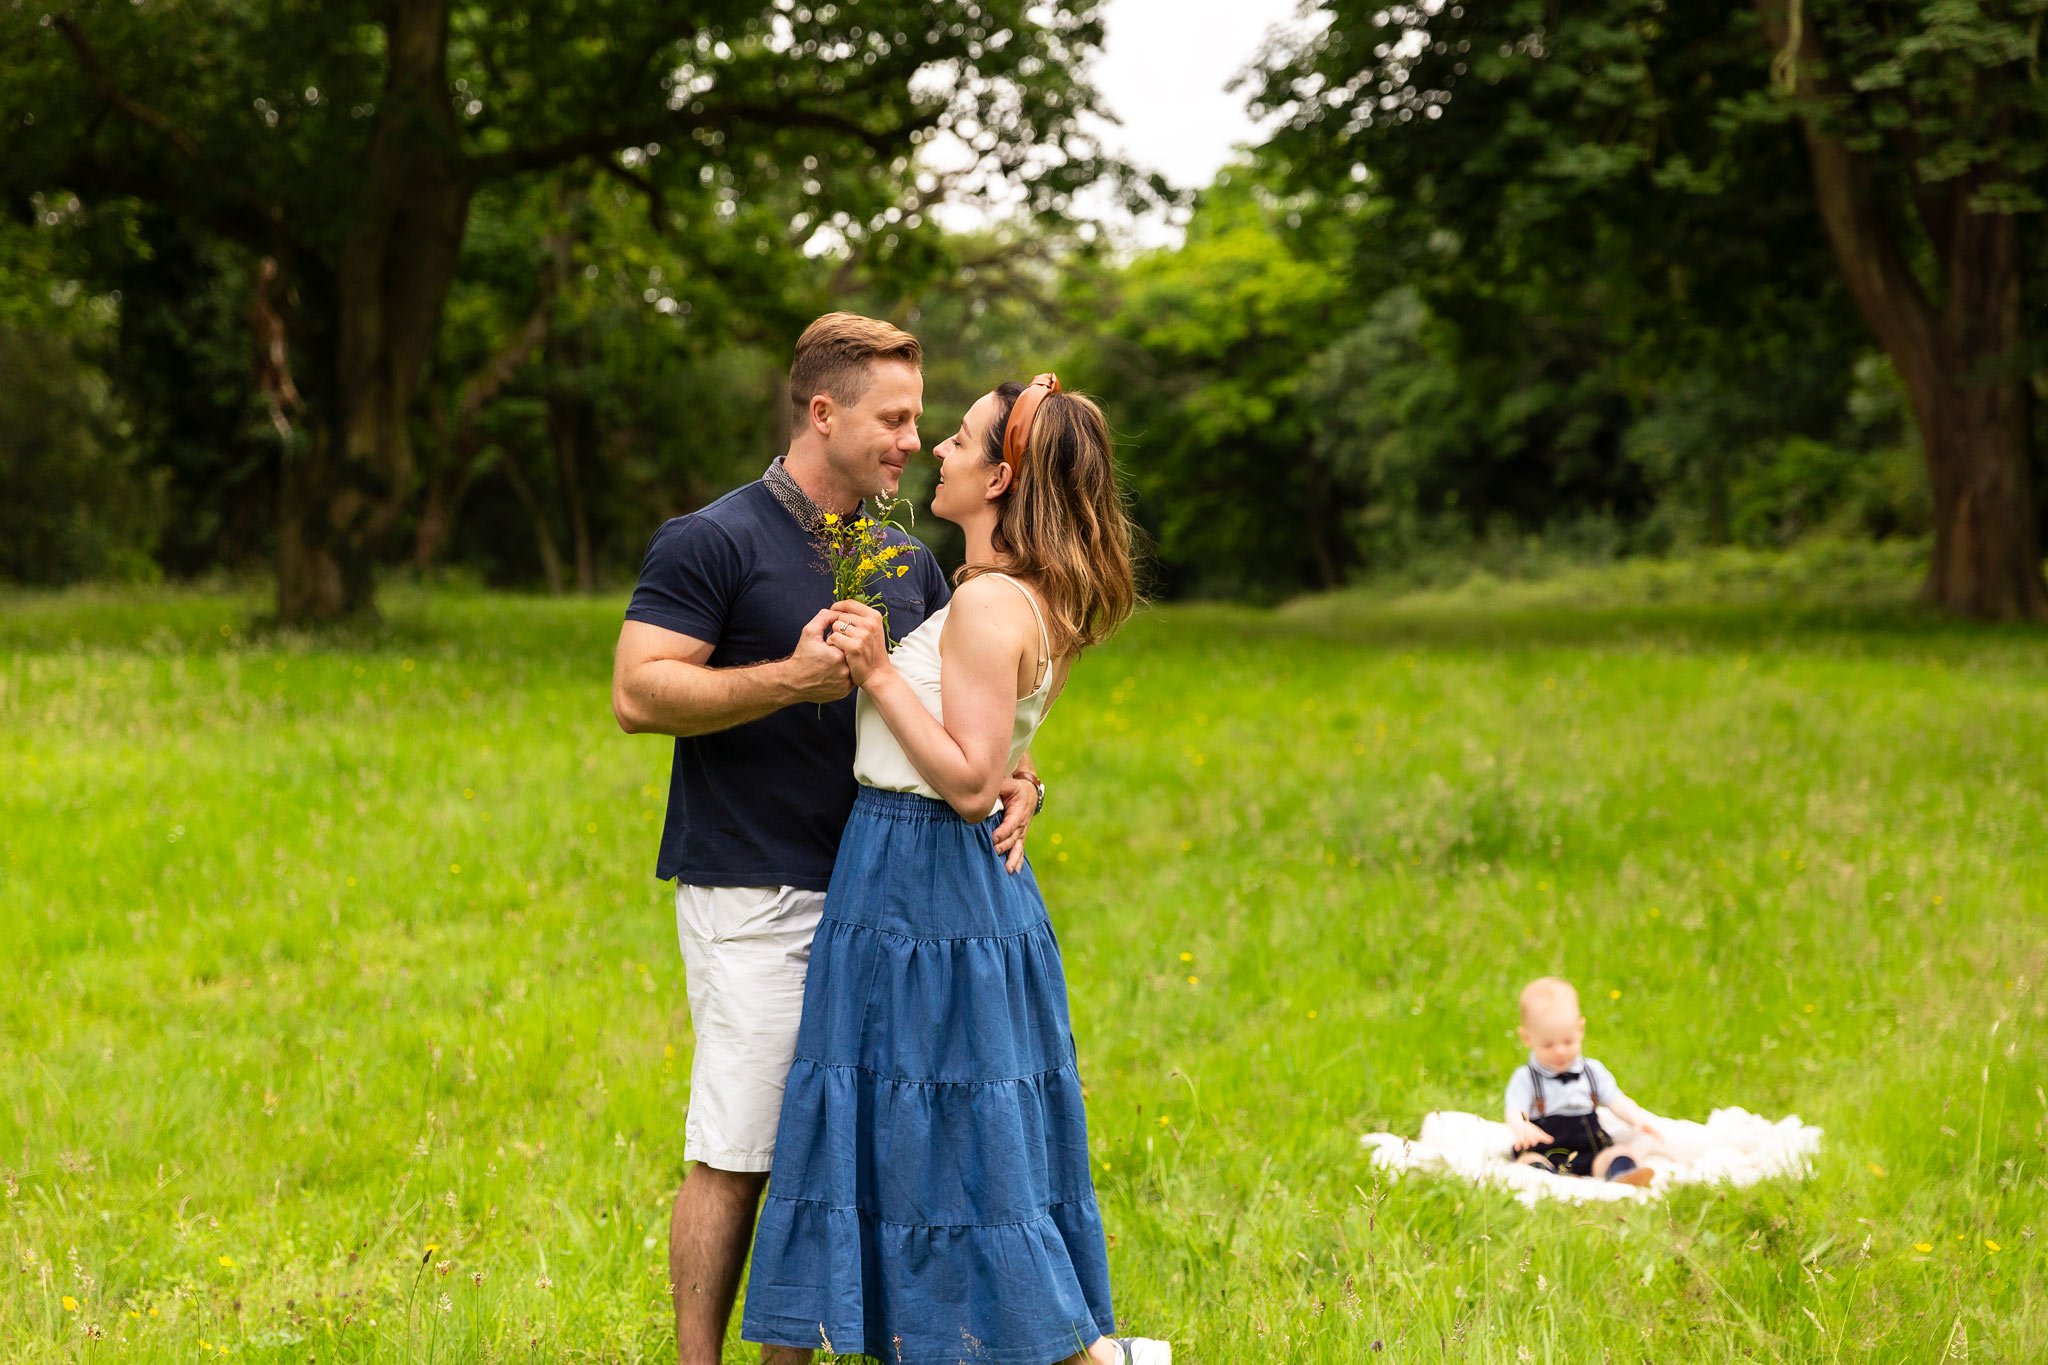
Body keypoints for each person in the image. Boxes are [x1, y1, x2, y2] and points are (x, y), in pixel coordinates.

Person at [612, 314, 1046, 1365]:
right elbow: (638, 691)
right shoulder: (712, 539)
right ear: (822, 412)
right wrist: (791, 681)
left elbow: (959, 720)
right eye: (892, 419)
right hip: (752, 888)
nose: (911, 439)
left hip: (887, 902)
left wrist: (1026, 778)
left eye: (919, 421)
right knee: (742, 1147)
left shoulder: (907, 559)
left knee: (843, 1156)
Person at [741, 375, 1171, 1365]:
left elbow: (970, 783)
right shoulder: (1022, 595)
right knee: (922, 1130)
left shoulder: (988, 605)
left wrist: (879, 672)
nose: (937, 447)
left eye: (961, 439)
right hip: (927, 880)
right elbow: (1001, 758)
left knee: (930, 1138)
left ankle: (1076, 1352)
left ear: (1001, 476)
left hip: (920, 877)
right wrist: (1027, 775)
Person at [1504, 977, 1665, 1186]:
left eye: (1568, 1041)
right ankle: (1550, 1180)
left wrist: (1636, 1117)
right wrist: (1522, 1126)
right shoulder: (1526, 1078)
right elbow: (1514, 1110)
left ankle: (1622, 1176)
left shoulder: (1593, 1071)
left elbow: (1616, 1100)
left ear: (1580, 1030)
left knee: (1617, 1152)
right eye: (1548, 1044)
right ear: (1527, 1038)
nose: (1560, 1051)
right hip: (1544, 1148)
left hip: (1590, 1149)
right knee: (1528, 1161)